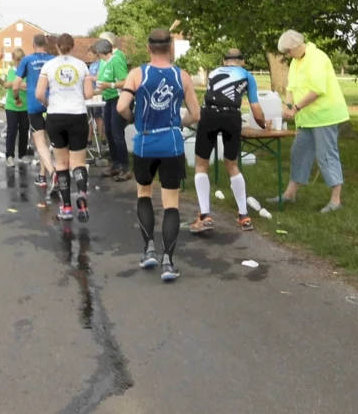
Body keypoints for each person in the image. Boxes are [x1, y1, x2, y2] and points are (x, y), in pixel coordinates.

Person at [118, 28, 200, 282]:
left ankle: (149, 250)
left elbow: (121, 107)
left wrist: (134, 119)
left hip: (145, 143)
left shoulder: (137, 74)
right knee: (171, 203)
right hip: (171, 143)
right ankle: (168, 263)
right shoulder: (182, 76)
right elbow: (196, 114)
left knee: (144, 194)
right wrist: (179, 123)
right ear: (171, 48)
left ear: (148, 48)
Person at [268, 31, 349, 211]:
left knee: (326, 156)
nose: (288, 55)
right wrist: (289, 106)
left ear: (297, 45)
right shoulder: (295, 61)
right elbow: (291, 88)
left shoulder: (318, 58)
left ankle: (336, 201)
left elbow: (317, 90)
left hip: (325, 116)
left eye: (289, 51)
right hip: (306, 119)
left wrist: (296, 108)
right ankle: (290, 194)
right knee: (298, 153)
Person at [190, 48, 266, 234]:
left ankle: (205, 215)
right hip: (232, 117)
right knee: (232, 164)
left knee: (201, 164)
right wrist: (264, 125)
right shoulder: (247, 75)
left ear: (224, 61)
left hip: (209, 114)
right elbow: (256, 109)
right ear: (242, 61)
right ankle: (243, 216)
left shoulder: (213, 72)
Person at [36, 34, 95, 222]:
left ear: (57, 47)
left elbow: (39, 93)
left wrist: (48, 103)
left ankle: (67, 207)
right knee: (78, 161)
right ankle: (82, 194)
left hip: (56, 116)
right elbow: (89, 94)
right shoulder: (81, 65)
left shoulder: (48, 66)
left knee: (61, 163)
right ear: (72, 46)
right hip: (77, 115)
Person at [13, 34, 56, 189]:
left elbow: (16, 85)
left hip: (35, 104)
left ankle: (52, 173)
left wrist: (17, 98)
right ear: (46, 44)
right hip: (52, 103)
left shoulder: (27, 60)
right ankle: (42, 175)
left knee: (40, 143)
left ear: (33, 45)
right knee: (48, 142)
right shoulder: (53, 60)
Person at [96, 37, 131, 181]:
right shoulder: (103, 62)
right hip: (108, 99)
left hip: (118, 98)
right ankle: (115, 164)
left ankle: (125, 167)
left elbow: (125, 81)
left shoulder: (116, 61)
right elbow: (102, 80)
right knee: (109, 132)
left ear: (100, 52)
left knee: (117, 133)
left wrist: (109, 85)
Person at [0, 48, 30, 169]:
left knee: (24, 130)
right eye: (17, 59)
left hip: (25, 105)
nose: (19, 62)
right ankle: (9, 156)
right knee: (11, 131)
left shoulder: (28, 71)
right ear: (13, 59)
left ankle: (22, 154)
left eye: (21, 59)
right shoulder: (11, 71)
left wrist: (14, 84)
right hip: (11, 105)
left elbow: (28, 86)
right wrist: (3, 81)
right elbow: (6, 85)